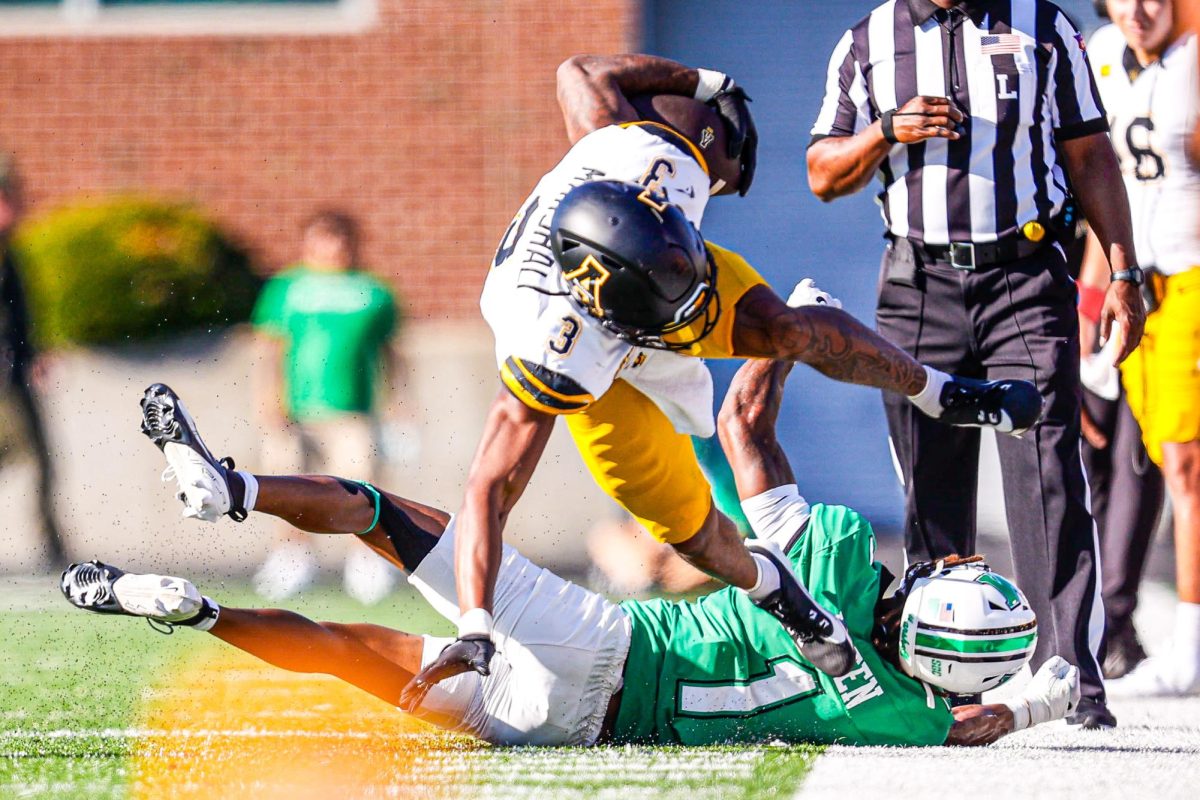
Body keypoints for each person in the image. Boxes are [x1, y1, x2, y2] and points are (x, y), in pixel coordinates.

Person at [60, 368, 1079, 748]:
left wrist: (775, 329)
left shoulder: (840, 549)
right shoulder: (909, 715)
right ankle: (193, 610)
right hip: (570, 725)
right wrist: (1035, 701)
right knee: (341, 650)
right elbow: (978, 723)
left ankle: (233, 489)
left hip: (597, 636)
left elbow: (743, 424)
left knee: (379, 510)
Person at [440, 55, 1043, 693]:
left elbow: (579, 71)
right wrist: (474, 626)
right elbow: (488, 490)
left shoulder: (635, 155)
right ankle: (781, 594)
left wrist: (706, 84)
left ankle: (938, 391)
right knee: (696, 535)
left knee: (785, 328)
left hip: (656, 268)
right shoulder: (550, 349)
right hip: (610, 365)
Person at [806, 0, 1148, 728]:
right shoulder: (867, 41)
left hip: (1023, 277)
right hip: (917, 285)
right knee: (931, 490)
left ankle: (1068, 683)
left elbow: (1089, 153)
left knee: (1048, 475)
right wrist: (885, 132)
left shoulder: (1044, 25)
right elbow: (821, 173)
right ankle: (945, 687)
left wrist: (1122, 271)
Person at [1081, 0, 1200, 697]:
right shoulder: (1099, 52)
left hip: (1191, 274)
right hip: (1137, 279)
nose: (1142, 7)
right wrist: (1091, 300)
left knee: (1184, 460)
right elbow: (1108, 191)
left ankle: (1190, 638)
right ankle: (1130, 626)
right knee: (1151, 453)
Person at [249, 210, 401, 605]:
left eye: (338, 238)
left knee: (360, 485)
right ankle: (292, 558)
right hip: (295, 409)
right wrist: (269, 399)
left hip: (352, 408)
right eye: (322, 238)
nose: (331, 247)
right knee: (286, 483)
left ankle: (365, 561)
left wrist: (400, 403)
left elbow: (391, 353)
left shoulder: (373, 290)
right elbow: (270, 347)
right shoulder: (287, 288)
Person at [0, 155, 67, 569]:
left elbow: (17, 314)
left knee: (40, 456)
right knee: (23, 452)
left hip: (12, 374)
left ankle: (54, 550)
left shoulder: (11, 254)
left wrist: (32, 354)